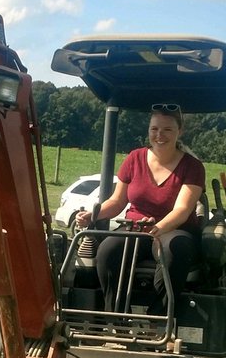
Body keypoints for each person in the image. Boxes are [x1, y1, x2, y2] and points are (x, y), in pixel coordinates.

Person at [75, 106, 205, 314]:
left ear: (180, 131)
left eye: (167, 130)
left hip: (174, 229)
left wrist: (158, 227)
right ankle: (114, 317)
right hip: (135, 227)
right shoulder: (134, 158)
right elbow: (117, 201)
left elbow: (182, 210)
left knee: (172, 249)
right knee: (108, 250)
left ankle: (158, 319)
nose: (159, 135)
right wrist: (93, 215)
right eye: (154, 129)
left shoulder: (193, 167)